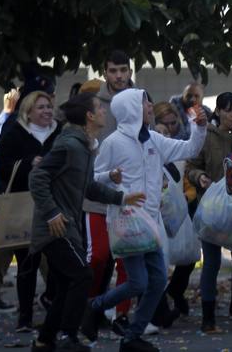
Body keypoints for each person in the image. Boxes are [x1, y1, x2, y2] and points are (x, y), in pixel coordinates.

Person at [84, 89, 206, 350]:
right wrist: (111, 176)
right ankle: (95, 308)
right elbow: (93, 178)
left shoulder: (154, 139)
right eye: (145, 102)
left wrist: (199, 127)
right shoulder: (113, 142)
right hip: (126, 221)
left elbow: (190, 148)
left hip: (152, 222)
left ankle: (131, 335)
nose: (150, 106)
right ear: (130, 109)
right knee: (138, 281)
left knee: (159, 280)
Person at [28, 92, 147, 352]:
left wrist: (121, 198)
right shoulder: (69, 145)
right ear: (89, 116)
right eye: (99, 108)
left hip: (67, 225)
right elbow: (37, 178)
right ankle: (68, 338)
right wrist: (51, 212)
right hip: (54, 228)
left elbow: (89, 188)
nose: (105, 111)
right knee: (82, 275)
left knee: (65, 285)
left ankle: (45, 341)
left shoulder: (85, 146)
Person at [0, 89, 60, 332]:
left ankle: (54, 306)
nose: (47, 111)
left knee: (59, 261)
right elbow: (3, 167)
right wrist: (28, 164)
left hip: (55, 205)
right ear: (28, 111)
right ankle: (25, 318)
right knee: (27, 264)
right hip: (23, 206)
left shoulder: (59, 132)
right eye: (41, 107)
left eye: (49, 106)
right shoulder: (14, 132)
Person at [184, 92, 232, 334]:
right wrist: (199, 176)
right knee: (211, 262)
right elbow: (191, 166)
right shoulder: (206, 136)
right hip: (212, 208)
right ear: (219, 111)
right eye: (227, 109)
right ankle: (208, 313)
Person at [86, 52, 137, 335]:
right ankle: (90, 308)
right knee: (98, 257)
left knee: (127, 259)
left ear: (130, 71)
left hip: (130, 196)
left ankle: (121, 315)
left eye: (123, 70)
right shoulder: (94, 101)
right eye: (113, 71)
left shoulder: (139, 100)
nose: (119, 76)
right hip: (96, 194)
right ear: (105, 72)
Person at [151, 103, 196, 326]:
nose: (167, 130)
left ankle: (174, 292)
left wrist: (187, 196)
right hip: (155, 215)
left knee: (188, 257)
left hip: (177, 214)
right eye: (162, 126)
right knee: (157, 263)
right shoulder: (148, 153)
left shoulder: (177, 152)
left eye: (172, 125)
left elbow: (185, 182)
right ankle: (159, 311)